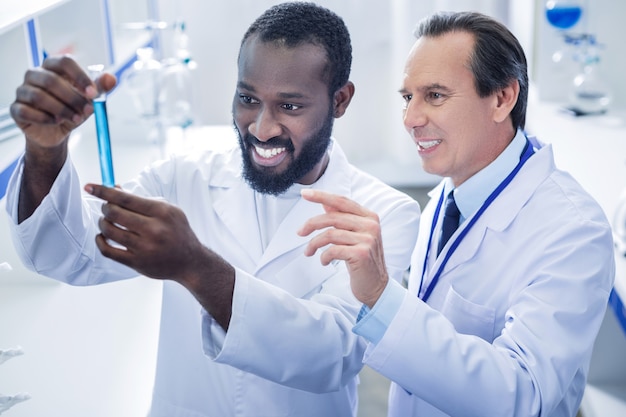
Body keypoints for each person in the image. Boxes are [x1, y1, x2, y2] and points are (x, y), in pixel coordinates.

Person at [6, 2, 421, 416]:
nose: (261, 127)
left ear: (340, 100)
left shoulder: (386, 214)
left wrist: (195, 266)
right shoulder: (182, 180)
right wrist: (45, 150)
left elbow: (333, 355)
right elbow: (64, 255)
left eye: (290, 106)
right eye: (248, 98)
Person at [299, 10, 615, 417]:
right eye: (407, 97)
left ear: (502, 98)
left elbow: (523, 397)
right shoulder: (454, 186)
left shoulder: (573, 232)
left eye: (435, 95)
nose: (411, 119)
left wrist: (381, 295)